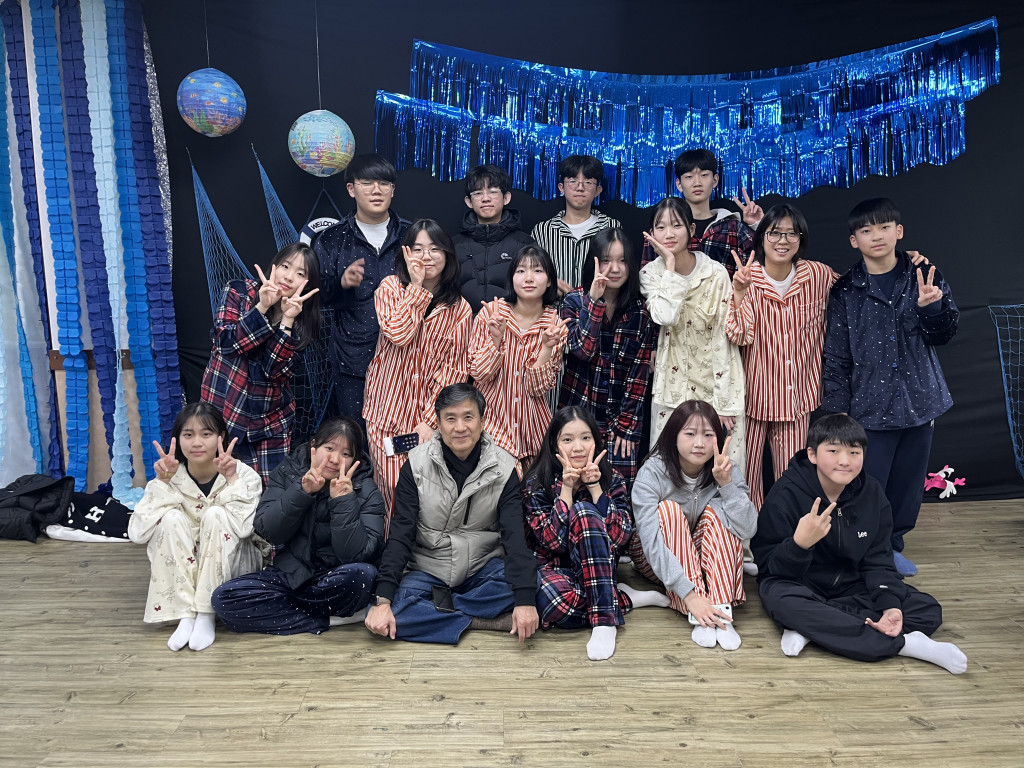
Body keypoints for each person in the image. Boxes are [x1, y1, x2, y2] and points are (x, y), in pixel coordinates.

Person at [751, 414, 967, 674]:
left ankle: (814, 627)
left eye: (854, 452)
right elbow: (769, 568)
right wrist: (800, 545)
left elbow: (879, 559)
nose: (845, 461)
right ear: (812, 454)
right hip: (799, 583)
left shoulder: (872, 492)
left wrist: (890, 605)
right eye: (833, 451)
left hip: (851, 584)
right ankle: (907, 645)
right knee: (783, 601)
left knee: (926, 609)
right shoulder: (786, 493)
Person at [822, 198, 958, 577]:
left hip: (920, 399)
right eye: (866, 230)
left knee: (908, 486)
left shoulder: (924, 274)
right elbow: (836, 356)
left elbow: (945, 334)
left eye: (884, 227)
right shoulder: (845, 290)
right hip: (869, 405)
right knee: (867, 485)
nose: (876, 236)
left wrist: (932, 309)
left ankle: (892, 546)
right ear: (854, 240)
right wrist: (838, 414)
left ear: (898, 231)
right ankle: (865, 549)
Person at [364, 384, 540, 645]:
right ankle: (480, 620)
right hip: (429, 569)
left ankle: (438, 612)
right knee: (388, 610)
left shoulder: (504, 469)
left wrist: (525, 601)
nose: (460, 427)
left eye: (468, 417)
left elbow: (514, 538)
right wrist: (383, 601)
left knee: (531, 584)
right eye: (450, 418)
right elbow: (401, 534)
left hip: (481, 569)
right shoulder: (416, 464)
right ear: (438, 424)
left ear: (482, 421)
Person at [211, 418, 385, 636]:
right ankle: (330, 619)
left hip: (336, 576)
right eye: (329, 448)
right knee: (224, 599)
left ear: (355, 460)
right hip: (292, 575)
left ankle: (294, 614)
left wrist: (343, 500)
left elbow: (355, 555)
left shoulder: (366, 489)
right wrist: (302, 492)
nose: (334, 459)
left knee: (363, 576)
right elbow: (267, 530)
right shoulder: (289, 471)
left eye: (346, 454)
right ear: (314, 446)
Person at [522, 407, 669, 660]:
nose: (578, 447)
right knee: (551, 603)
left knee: (584, 511)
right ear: (555, 444)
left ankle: (604, 622)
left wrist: (595, 488)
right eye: (568, 439)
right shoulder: (537, 483)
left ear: (596, 441)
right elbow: (553, 542)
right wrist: (566, 490)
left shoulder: (613, 479)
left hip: (599, 567)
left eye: (585, 438)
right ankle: (621, 597)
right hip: (557, 571)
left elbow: (621, 537)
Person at [725, 204, 839, 512]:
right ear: (761, 237)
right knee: (744, 479)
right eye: (774, 233)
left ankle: (788, 534)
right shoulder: (746, 278)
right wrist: (739, 293)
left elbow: (855, 290)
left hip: (796, 397)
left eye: (791, 233)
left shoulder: (817, 275)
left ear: (801, 239)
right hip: (752, 397)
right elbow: (739, 336)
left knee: (793, 480)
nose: (783, 241)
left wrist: (897, 263)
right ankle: (748, 536)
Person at [363, 219, 473, 527]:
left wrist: (429, 421)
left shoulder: (460, 309)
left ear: (447, 255)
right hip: (386, 411)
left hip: (427, 419)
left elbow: (454, 371)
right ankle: (392, 553)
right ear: (406, 253)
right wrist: (416, 288)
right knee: (391, 490)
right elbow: (399, 334)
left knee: (427, 496)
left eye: (435, 249)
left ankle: (424, 555)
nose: (426, 256)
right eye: (419, 249)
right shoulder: (390, 288)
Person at [128, 402, 263, 652]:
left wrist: (232, 480)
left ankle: (206, 614)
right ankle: (186, 614)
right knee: (170, 519)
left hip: (234, 565)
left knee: (216, 514)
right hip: (185, 567)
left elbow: (244, 529)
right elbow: (137, 533)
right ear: (177, 439)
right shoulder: (170, 476)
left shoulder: (244, 475)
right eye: (188, 435)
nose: (196, 443)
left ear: (221, 437)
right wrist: (161, 483)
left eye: (206, 434)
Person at [630, 400, 756, 650]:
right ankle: (697, 610)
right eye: (690, 434)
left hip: (701, 558)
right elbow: (651, 543)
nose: (699, 443)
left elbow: (748, 528)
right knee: (669, 510)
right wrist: (690, 595)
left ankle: (719, 608)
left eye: (708, 435)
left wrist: (726, 485)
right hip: (653, 559)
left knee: (720, 513)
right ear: (673, 436)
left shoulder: (726, 469)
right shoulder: (653, 472)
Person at [201, 243, 322, 486]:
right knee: (215, 487)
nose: (289, 276)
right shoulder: (239, 291)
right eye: (285, 266)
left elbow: (273, 371)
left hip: (269, 423)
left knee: (267, 494)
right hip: (224, 409)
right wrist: (262, 307)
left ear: (307, 285)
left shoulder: (302, 321)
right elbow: (225, 344)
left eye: (300, 273)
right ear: (274, 266)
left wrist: (287, 320)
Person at [640, 198, 745, 469]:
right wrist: (670, 265)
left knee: (722, 469)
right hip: (672, 389)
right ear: (651, 234)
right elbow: (665, 316)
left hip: (716, 386)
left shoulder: (716, 273)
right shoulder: (650, 274)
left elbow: (723, 340)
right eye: (660, 227)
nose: (669, 233)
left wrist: (724, 402)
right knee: (669, 470)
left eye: (676, 225)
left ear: (691, 229)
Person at [314, 154, 410, 429]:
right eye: (367, 183)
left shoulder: (412, 235)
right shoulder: (332, 238)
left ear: (393, 189)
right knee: (357, 436)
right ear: (351, 188)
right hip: (353, 361)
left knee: (403, 438)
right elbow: (316, 296)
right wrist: (341, 284)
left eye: (384, 183)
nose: (376, 190)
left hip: (407, 359)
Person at [559, 229, 654, 485]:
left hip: (619, 420)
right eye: (606, 260)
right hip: (578, 415)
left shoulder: (640, 311)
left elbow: (639, 376)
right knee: (573, 487)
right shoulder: (574, 301)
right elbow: (582, 350)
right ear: (594, 262)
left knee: (618, 492)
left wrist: (627, 426)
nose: (615, 268)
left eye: (622, 260)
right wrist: (594, 301)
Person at [469, 245, 568, 467]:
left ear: (549, 280)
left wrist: (546, 348)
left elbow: (537, 388)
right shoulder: (491, 314)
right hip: (490, 429)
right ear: (512, 278)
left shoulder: (555, 325)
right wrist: (495, 340)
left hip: (532, 431)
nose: (529, 278)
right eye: (521, 271)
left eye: (538, 271)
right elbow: (478, 374)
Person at [531, 154, 620, 295]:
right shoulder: (543, 231)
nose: (580, 188)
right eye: (573, 181)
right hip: (554, 307)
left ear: (598, 190)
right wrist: (549, 281)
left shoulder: (611, 227)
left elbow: (621, 270)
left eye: (588, 182)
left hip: (599, 306)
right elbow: (530, 272)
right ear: (561, 187)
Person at [454, 164, 535, 314]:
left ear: (506, 198)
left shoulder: (525, 245)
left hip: (511, 325)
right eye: (478, 193)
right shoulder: (455, 245)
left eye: (493, 191)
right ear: (469, 201)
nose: (486, 198)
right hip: (464, 326)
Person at [673, 148, 762, 274]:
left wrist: (758, 225)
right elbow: (649, 275)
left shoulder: (733, 227)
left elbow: (763, 267)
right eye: (689, 177)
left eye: (704, 175)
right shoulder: (666, 228)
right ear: (679, 184)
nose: (697, 183)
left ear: (715, 180)